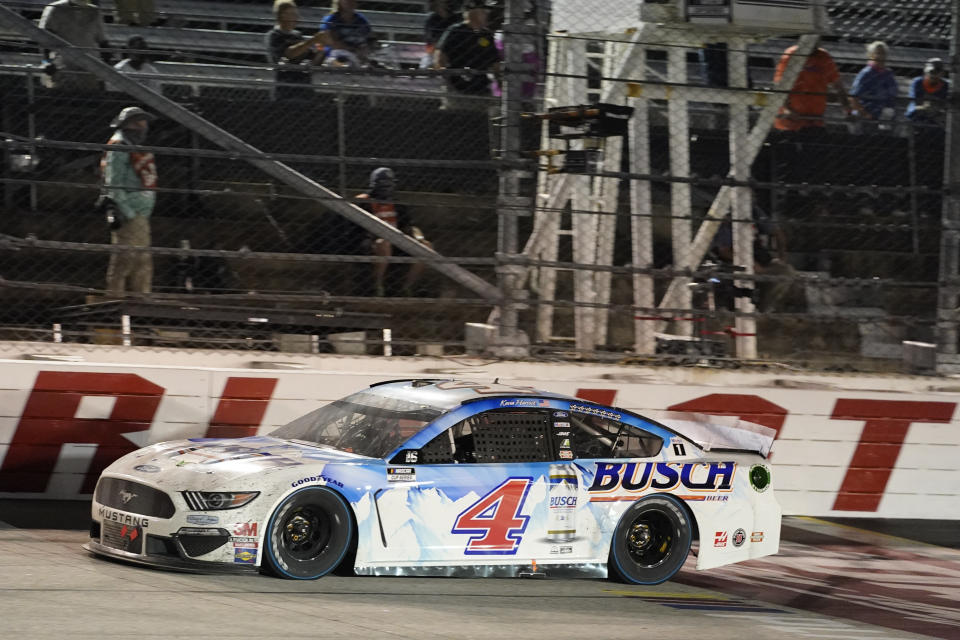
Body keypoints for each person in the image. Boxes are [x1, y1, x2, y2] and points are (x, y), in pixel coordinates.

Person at [100, 107, 158, 296]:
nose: (142, 127)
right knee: (126, 257)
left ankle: (141, 298)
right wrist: (128, 212)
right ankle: (116, 297)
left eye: (143, 123)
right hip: (129, 211)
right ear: (125, 125)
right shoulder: (119, 146)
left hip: (140, 210)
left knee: (141, 259)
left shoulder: (133, 147)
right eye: (136, 123)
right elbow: (113, 183)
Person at [355, 167, 432, 297]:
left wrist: (418, 238)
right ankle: (376, 287)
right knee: (384, 243)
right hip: (371, 242)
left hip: (396, 241)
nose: (386, 187)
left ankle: (406, 288)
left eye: (389, 183)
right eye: (382, 183)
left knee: (426, 246)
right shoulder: (364, 201)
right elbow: (356, 229)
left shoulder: (397, 204)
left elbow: (409, 226)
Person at [434, 0, 501, 110]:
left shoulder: (486, 34)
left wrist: (501, 84)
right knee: (458, 115)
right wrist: (446, 76)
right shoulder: (455, 31)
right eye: (483, 11)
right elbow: (440, 57)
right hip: (456, 86)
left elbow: (495, 63)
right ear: (472, 13)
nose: (486, 14)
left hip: (481, 88)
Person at [773, 44, 851, 136]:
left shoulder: (823, 56)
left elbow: (839, 87)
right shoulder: (791, 55)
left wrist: (850, 112)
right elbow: (779, 85)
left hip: (815, 120)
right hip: (791, 120)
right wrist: (787, 109)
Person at [38, 0, 109, 92]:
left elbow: (102, 40)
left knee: (88, 96)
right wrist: (46, 62)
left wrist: (107, 64)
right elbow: (45, 38)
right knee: (61, 94)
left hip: (88, 63)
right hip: (62, 63)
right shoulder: (56, 8)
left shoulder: (93, 11)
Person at [266, 1, 324, 99]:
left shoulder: (297, 35)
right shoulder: (274, 35)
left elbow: (312, 59)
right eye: (292, 14)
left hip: (304, 87)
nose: (296, 18)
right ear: (282, 15)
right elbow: (289, 54)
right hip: (285, 89)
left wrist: (321, 47)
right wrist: (314, 40)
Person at [849, 41, 899, 124]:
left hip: (884, 113)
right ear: (871, 55)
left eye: (883, 53)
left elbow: (893, 96)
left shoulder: (888, 74)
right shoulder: (866, 73)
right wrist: (866, 114)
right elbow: (853, 98)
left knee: (888, 113)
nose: (880, 56)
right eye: (878, 53)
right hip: (867, 112)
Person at [318, 0, 372, 67]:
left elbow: (368, 39)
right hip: (335, 54)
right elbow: (330, 41)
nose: (350, 2)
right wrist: (351, 49)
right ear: (339, 2)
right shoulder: (331, 19)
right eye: (347, 1)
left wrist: (362, 50)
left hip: (356, 54)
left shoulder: (361, 20)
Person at [906, 57, 949, 127]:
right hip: (920, 115)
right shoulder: (918, 82)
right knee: (914, 113)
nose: (934, 75)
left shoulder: (946, 85)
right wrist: (926, 107)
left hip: (938, 117)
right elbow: (915, 104)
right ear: (925, 72)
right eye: (932, 72)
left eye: (937, 72)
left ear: (942, 73)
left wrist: (936, 108)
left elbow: (946, 107)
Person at [423, 0, 458, 67]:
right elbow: (431, 44)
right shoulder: (432, 19)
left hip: (454, 53)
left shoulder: (455, 18)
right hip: (436, 54)